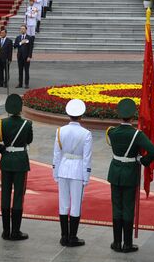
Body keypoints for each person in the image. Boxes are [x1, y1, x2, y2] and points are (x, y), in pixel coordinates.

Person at [106, 98, 154, 253]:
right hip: (129, 173)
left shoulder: (112, 132)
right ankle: (127, 244)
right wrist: (143, 160)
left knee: (116, 207)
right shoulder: (137, 135)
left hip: (115, 172)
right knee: (128, 207)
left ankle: (116, 242)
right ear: (133, 116)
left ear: (119, 115)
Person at [0, 94, 33, 241]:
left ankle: (5, 231)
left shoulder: (1, 123)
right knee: (18, 196)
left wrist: (5, 151)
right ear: (20, 108)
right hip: (20, 162)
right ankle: (15, 231)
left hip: (7, 162)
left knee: (5, 195)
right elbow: (29, 140)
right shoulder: (27, 124)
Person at [52, 99, 92, 247]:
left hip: (63, 168)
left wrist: (55, 172)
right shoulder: (86, 134)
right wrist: (86, 177)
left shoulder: (60, 131)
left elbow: (56, 154)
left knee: (63, 203)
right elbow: (87, 158)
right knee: (76, 204)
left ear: (69, 115)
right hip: (77, 171)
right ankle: (73, 237)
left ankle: (64, 236)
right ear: (81, 116)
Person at [14, 25, 33, 89]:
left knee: (26, 71)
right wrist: (20, 43)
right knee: (20, 70)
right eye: (21, 29)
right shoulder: (18, 37)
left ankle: (26, 84)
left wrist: (29, 56)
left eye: (23, 29)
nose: (22, 30)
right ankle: (20, 83)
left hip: (26, 57)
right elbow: (15, 46)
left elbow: (31, 48)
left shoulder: (29, 38)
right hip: (20, 57)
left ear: (26, 30)